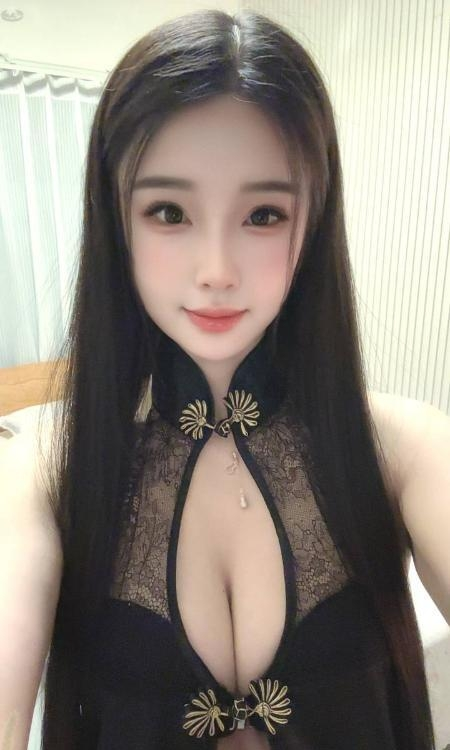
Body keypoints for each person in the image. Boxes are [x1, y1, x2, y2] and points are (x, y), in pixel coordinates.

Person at [1, 8, 449, 750]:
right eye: (168, 211)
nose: (216, 270)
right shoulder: (43, 467)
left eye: (264, 214)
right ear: (117, 223)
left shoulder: (406, 448)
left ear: (313, 222)